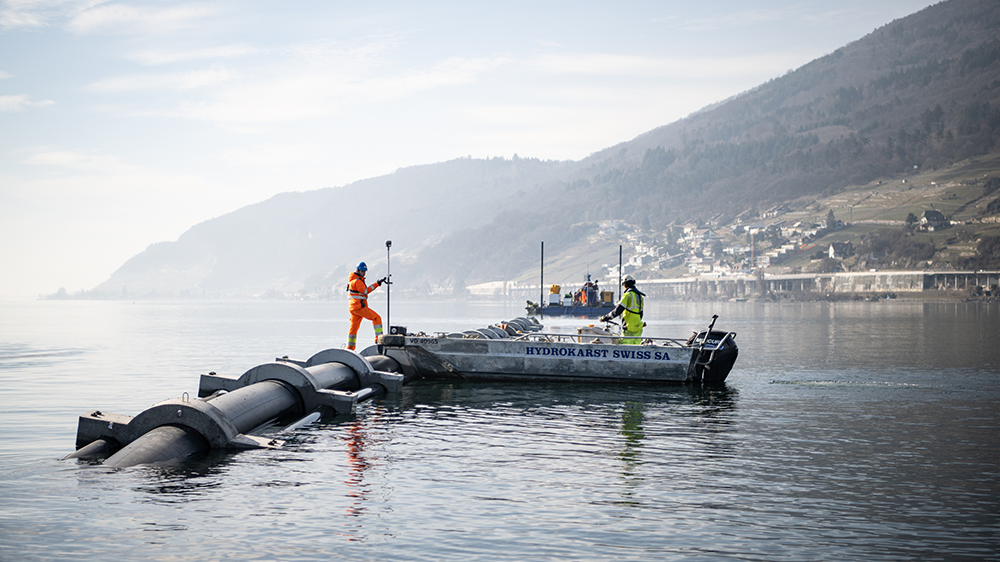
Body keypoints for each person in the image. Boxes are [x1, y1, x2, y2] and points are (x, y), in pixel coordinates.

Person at [346, 261, 387, 351]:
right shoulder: (357, 281)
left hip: (353, 308)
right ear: (358, 271)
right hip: (359, 307)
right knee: (377, 318)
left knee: (353, 329)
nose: (364, 273)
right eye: (363, 271)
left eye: (365, 272)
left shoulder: (352, 280)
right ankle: (379, 340)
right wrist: (377, 284)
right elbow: (365, 291)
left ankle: (350, 348)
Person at [599, 275, 645, 344]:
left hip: (629, 328)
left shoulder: (627, 295)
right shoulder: (640, 297)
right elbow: (641, 314)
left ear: (625, 284)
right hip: (638, 327)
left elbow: (617, 311)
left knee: (625, 349)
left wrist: (604, 318)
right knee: (637, 348)